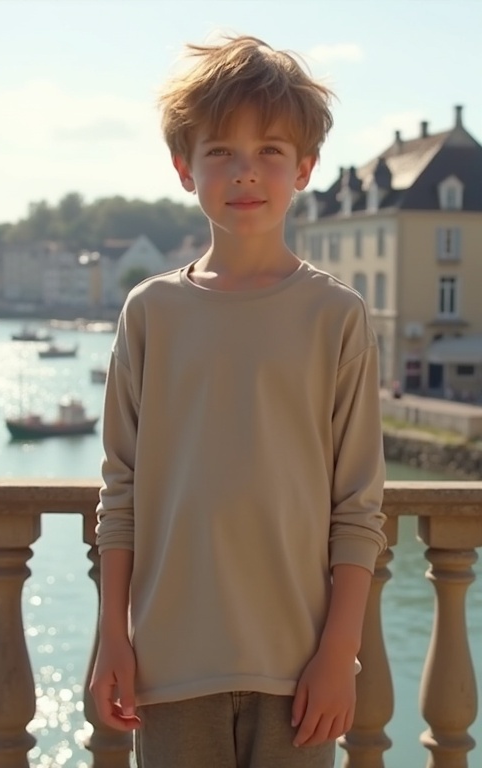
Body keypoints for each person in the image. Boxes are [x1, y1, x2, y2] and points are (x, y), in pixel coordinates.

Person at [90, 34, 387, 768]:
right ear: (184, 168)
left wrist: (338, 655)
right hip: (169, 668)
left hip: (298, 671)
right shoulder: (149, 312)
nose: (245, 171)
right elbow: (119, 492)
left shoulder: (337, 316)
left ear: (304, 169)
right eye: (220, 150)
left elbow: (357, 508)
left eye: (271, 151)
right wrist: (112, 637)